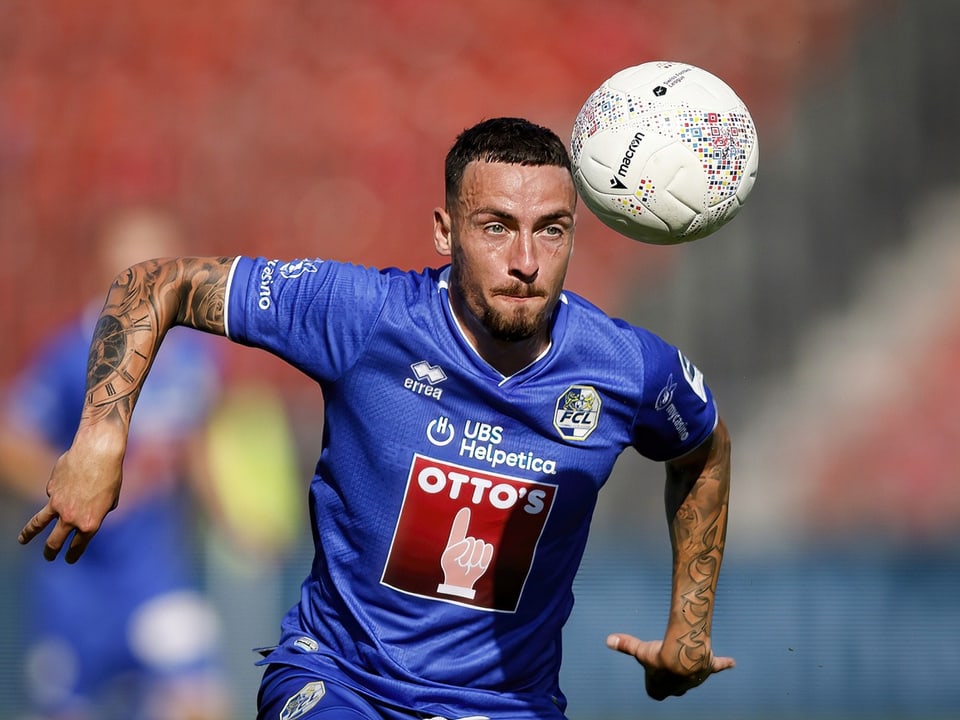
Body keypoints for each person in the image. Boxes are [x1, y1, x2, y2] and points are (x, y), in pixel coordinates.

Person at [19, 118, 733, 719]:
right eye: (496, 228)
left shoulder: (628, 371)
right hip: (339, 682)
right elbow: (156, 281)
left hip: (506, 704)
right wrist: (100, 439)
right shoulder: (362, 316)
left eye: (551, 231)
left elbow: (702, 450)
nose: (525, 261)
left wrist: (690, 626)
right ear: (443, 232)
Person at [3, 206, 231, 720]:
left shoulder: (197, 358)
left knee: (200, 703)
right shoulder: (68, 355)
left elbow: (192, 441)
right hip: (76, 584)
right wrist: (68, 482)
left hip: (153, 574)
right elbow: (11, 440)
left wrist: (228, 516)